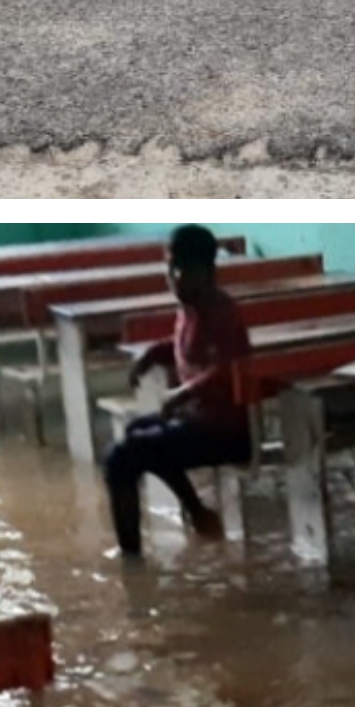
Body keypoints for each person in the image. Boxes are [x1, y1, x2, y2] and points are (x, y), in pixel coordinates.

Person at [104, 227, 252, 560]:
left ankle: (132, 558)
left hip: (225, 431)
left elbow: (225, 369)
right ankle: (197, 511)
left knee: (123, 456)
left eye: (183, 269)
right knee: (135, 434)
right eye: (170, 267)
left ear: (207, 271)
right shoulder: (191, 307)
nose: (174, 278)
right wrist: (154, 354)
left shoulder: (220, 311)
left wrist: (179, 395)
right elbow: (186, 349)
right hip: (197, 422)